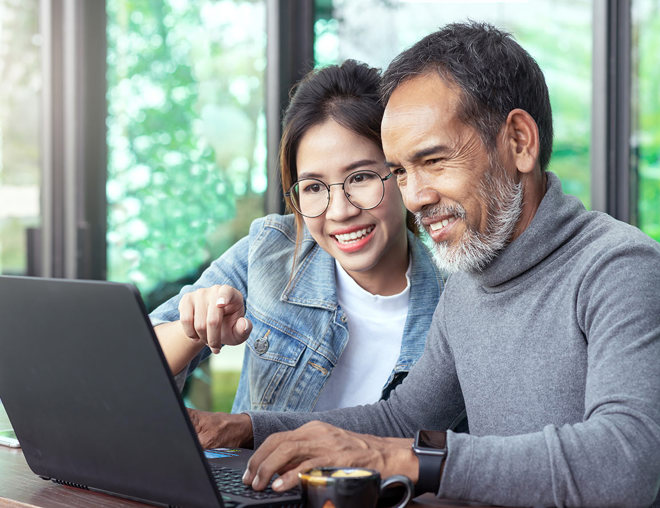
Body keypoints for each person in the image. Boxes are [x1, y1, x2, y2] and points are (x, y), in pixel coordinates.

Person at [189, 22, 660, 507]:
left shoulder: (619, 268)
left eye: (433, 161)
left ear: (519, 141)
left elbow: (624, 464)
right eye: (399, 172)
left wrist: (397, 459)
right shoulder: (469, 284)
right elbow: (401, 420)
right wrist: (243, 428)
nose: (415, 198)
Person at [149, 60, 444, 414]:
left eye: (361, 178)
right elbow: (134, 365)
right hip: (258, 472)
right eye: (314, 187)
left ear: (401, 173)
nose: (339, 211)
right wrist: (193, 329)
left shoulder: (453, 302)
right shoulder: (271, 250)